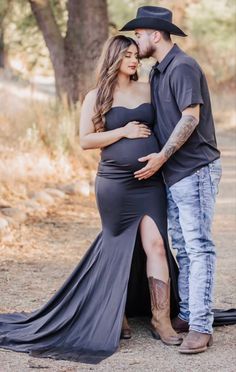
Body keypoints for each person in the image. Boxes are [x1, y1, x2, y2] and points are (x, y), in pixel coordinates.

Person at [0, 35, 182, 365]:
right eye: (127, 55)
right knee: (119, 249)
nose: (133, 60)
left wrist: (161, 157)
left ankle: (161, 319)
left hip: (149, 183)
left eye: (135, 55)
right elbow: (85, 139)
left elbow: (168, 124)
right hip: (114, 185)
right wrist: (124, 132)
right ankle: (116, 314)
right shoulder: (95, 96)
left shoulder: (149, 90)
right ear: (113, 58)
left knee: (156, 246)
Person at [120, 6, 222, 354]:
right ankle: (188, 313)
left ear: (156, 34)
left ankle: (201, 326)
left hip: (194, 168)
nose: (136, 40)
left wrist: (162, 155)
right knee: (182, 246)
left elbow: (190, 118)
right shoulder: (159, 71)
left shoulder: (182, 67)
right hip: (174, 174)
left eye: (139, 34)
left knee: (198, 246)